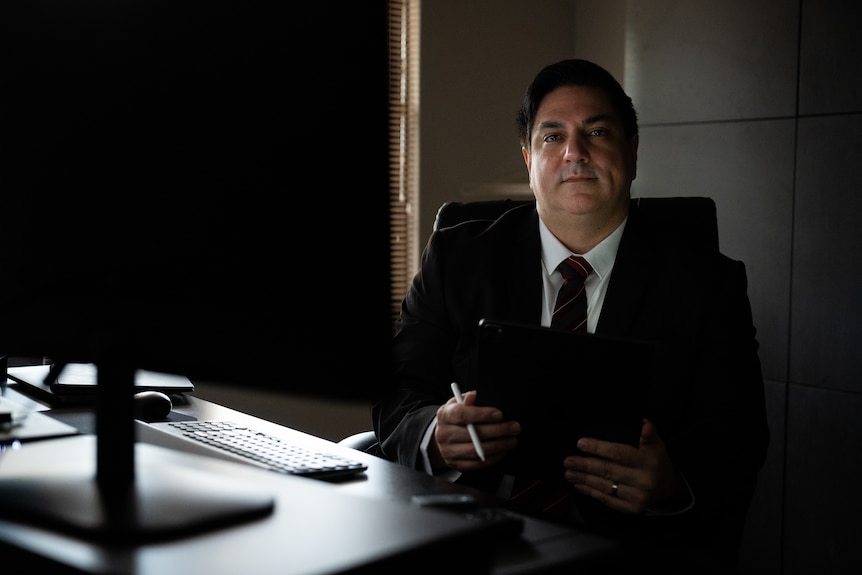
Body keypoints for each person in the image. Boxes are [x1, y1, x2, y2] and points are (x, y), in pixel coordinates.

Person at [373, 58, 769, 572]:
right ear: (527, 160)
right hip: (466, 535)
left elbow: (738, 436)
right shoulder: (457, 258)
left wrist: (671, 483)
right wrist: (434, 432)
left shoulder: (708, 283)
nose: (574, 153)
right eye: (551, 137)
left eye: (597, 132)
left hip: (626, 549)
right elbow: (398, 389)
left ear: (632, 151)